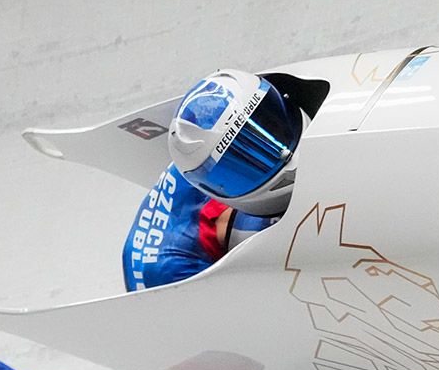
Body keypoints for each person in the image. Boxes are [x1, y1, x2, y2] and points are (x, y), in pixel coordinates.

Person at [121, 68, 324, 290]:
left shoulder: (201, 156)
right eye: (244, 159)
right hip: (171, 279)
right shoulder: (167, 273)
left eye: (270, 122)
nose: (280, 152)